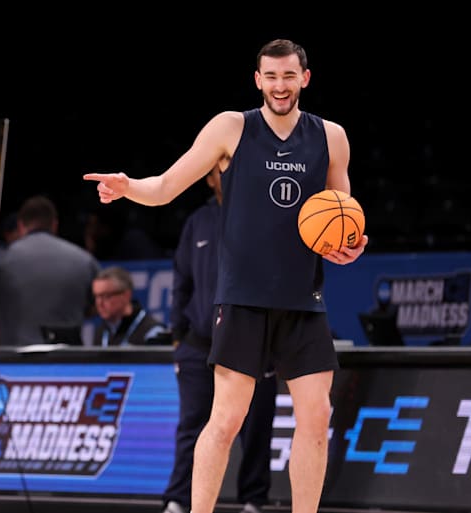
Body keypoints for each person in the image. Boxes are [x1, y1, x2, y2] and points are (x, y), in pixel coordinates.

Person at [84, 39, 368, 513]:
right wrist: (128, 186)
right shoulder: (231, 128)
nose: (280, 86)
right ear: (258, 80)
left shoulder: (331, 137)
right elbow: (166, 186)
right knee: (226, 420)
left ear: (305, 78)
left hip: (303, 298)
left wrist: (352, 245)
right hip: (243, 299)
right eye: (271, 77)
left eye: (289, 76)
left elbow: (345, 214)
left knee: (317, 416)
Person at [162, 167, 277, 513]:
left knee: (255, 427)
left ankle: (253, 501)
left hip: (254, 343)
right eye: (219, 168)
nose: (227, 172)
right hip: (199, 344)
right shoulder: (198, 222)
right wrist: (178, 336)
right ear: (209, 178)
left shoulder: (267, 215)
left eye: (234, 164)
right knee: (191, 427)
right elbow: (182, 282)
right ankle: (178, 501)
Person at [0, 195, 100, 346]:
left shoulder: (0, 261)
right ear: (54, 225)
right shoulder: (85, 261)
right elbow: (99, 305)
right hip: (68, 356)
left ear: (20, 225)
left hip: (14, 356)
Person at [90, 266, 169, 346]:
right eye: (96, 296)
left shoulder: (152, 333)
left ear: (126, 295)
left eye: (106, 296)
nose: (99, 303)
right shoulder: (101, 331)